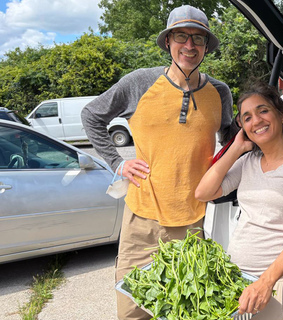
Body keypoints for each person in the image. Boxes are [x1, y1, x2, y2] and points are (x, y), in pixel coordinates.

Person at [81, 5, 233, 320]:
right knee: (133, 310)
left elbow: (233, 142)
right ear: (168, 42)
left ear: (206, 46)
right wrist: (117, 163)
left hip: (193, 221)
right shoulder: (139, 83)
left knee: (183, 311)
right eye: (181, 36)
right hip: (142, 220)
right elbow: (92, 115)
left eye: (198, 39)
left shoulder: (220, 92)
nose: (189, 46)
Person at [195, 82, 283, 320]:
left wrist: (265, 282)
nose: (256, 121)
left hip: (277, 284)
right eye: (247, 118)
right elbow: (203, 193)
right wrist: (236, 148)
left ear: (281, 116)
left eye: (263, 111)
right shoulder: (247, 162)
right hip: (238, 278)